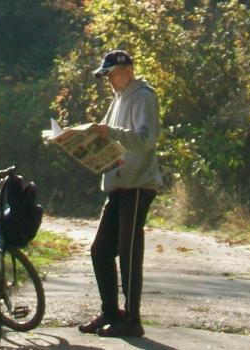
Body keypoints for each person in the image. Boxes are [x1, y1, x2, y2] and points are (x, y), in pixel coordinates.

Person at [78, 50, 162, 337]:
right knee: (100, 250)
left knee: (128, 250)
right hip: (118, 185)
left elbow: (144, 140)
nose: (109, 81)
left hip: (138, 184)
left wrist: (110, 132)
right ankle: (111, 312)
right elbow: (106, 135)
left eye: (112, 74)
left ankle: (132, 320)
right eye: (107, 77)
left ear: (128, 70)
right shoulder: (118, 99)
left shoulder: (144, 96)